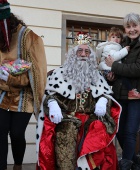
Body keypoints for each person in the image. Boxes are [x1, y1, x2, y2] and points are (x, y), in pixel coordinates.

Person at [36, 33, 122, 170]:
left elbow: (106, 94)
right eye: (80, 51)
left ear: (91, 56)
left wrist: (103, 101)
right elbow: (49, 95)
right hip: (67, 119)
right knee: (67, 131)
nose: (83, 54)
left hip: (91, 119)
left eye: (87, 51)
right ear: (72, 54)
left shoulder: (97, 75)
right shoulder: (59, 74)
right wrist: (52, 104)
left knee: (99, 129)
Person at [105, 13, 140, 170]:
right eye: (128, 26)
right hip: (120, 94)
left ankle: (125, 164)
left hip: (138, 95)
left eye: (135, 25)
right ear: (125, 29)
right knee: (119, 131)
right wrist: (111, 77)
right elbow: (118, 71)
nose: (132, 29)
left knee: (130, 131)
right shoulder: (122, 45)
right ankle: (135, 163)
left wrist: (114, 66)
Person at [0, 1, 47, 170]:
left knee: (17, 133)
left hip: (24, 97)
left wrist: (41, 108)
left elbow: (38, 74)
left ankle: (18, 165)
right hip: (3, 95)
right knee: (0, 131)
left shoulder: (30, 38)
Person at [96, 27, 140, 100]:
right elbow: (114, 57)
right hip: (108, 68)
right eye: (113, 37)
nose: (116, 39)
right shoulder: (110, 46)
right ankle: (131, 91)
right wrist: (125, 50)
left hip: (109, 68)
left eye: (118, 37)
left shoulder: (116, 46)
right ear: (109, 39)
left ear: (121, 39)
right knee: (124, 77)